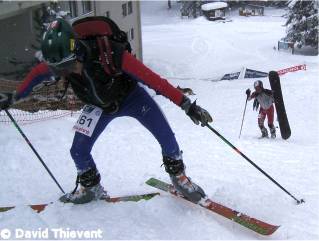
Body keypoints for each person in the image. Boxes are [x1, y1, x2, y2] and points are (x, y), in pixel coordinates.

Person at [0, 17, 212, 204]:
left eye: (69, 65)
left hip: (132, 98)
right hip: (97, 108)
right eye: (61, 69)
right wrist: (13, 97)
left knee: (166, 137)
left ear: (77, 51)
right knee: (78, 151)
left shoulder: (110, 53)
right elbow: (36, 74)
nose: (67, 72)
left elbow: (154, 81)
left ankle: (179, 177)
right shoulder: (60, 62)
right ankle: (91, 188)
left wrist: (187, 105)